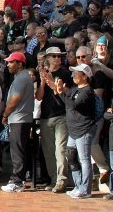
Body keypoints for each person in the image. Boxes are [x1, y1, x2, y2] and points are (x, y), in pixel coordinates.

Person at [56, 64, 96, 199]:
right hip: (73, 130)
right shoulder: (74, 89)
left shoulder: (88, 92)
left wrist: (62, 92)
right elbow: (66, 103)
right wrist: (60, 91)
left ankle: (85, 189)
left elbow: (73, 105)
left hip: (84, 128)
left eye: (76, 73)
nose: (73, 75)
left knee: (84, 159)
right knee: (70, 155)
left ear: (85, 76)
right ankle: (78, 186)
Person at [36, 47, 72, 193]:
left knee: (60, 149)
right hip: (45, 116)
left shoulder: (66, 73)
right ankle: (53, 179)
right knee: (49, 151)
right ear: (48, 58)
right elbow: (38, 97)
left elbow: (63, 94)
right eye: (54, 56)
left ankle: (62, 180)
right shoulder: (44, 74)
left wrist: (50, 81)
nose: (57, 58)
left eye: (59, 56)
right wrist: (43, 81)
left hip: (61, 115)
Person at [1, 52, 34, 193]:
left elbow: (14, 100)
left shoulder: (21, 78)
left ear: (20, 64)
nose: (8, 64)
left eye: (11, 62)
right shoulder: (22, 77)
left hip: (19, 119)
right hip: (20, 119)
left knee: (17, 151)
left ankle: (17, 181)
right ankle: (19, 179)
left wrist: (5, 115)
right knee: (19, 150)